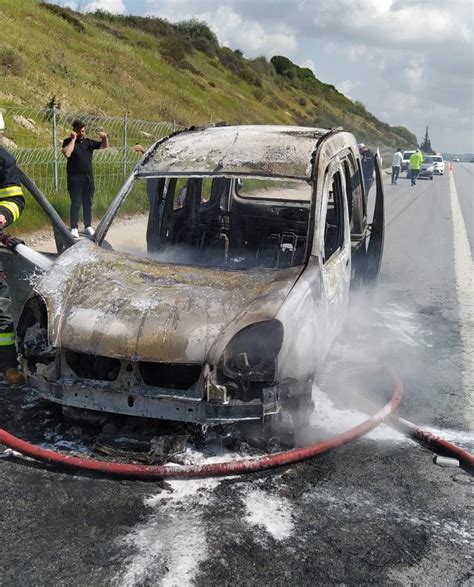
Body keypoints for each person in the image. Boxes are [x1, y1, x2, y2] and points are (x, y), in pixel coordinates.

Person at [0, 146, 25, 384]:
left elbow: (15, 198)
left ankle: (8, 365)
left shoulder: (3, 160)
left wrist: (3, 215)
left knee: (1, 308)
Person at [62, 120, 108, 238]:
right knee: (76, 203)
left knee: (88, 203)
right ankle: (74, 227)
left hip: (88, 178)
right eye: (79, 131)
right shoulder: (68, 142)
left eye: (83, 130)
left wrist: (104, 137)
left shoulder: (88, 143)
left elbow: (104, 146)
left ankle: (88, 226)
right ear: (74, 131)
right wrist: (73, 139)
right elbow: (67, 153)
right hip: (74, 179)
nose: (81, 133)